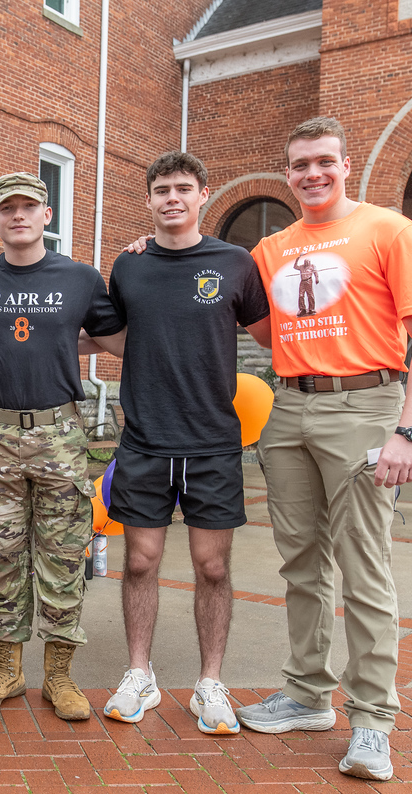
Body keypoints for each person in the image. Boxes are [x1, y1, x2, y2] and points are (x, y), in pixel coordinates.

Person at [235, 117, 412, 780]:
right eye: (300, 164)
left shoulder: (390, 231)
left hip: (365, 405)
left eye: (324, 161)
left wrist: (409, 430)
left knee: (364, 566)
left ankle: (373, 720)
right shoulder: (270, 249)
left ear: (346, 165)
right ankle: (306, 693)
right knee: (301, 561)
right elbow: (264, 330)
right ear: (288, 172)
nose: (313, 174)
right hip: (289, 408)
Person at [103, 151, 272, 736]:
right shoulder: (128, 266)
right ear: (148, 199)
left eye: (182, 188)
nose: (171, 198)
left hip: (212, 442)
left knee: (212, 566)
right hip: (145, 440)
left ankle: (210, 682)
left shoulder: (235, 263)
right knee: (140, 560)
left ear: (203, 194)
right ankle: (139, 673)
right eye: (161, 190)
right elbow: (116, 336)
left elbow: (270, 336)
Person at [0, 172, 123, 721]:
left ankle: (59, 677)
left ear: (46, 215)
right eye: (8, 208)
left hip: (59, 435)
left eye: (29, 206)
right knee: (0, 557)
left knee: (63, 557)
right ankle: (7, 671)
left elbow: (118, 339)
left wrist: (146, 268)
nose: (18, 216)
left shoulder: (79, 278)